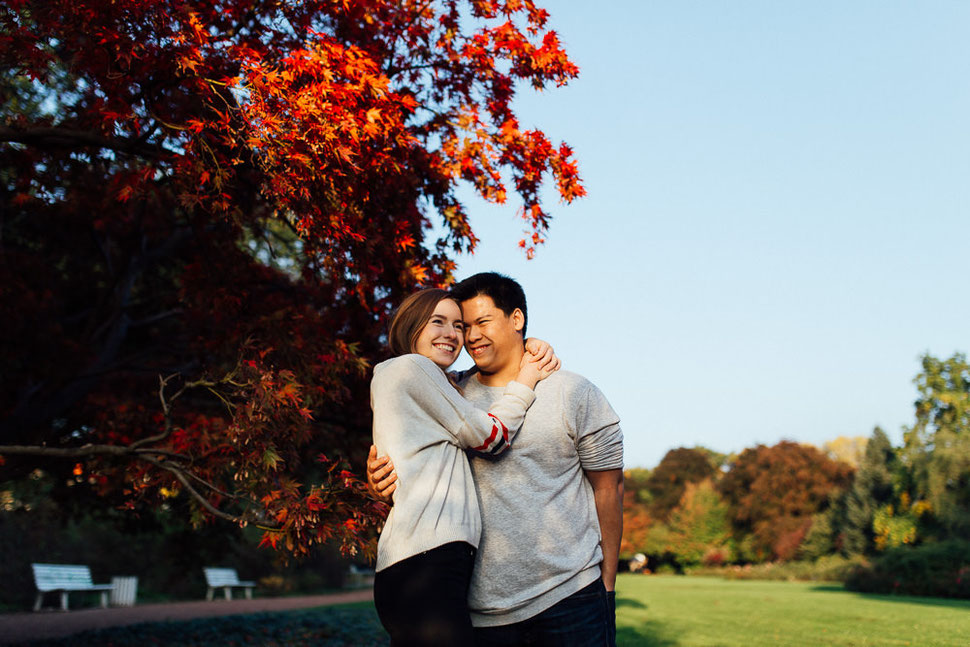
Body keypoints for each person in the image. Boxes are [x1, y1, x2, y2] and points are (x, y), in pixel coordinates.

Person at [369, 272, 624, 646]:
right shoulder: (447, 389)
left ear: (516, 320)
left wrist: (608, 583)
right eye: (463, 326)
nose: (468, 336)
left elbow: (610, 487)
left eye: (480, 322)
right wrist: (377, 481)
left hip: (570, 595)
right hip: (481, 611)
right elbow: (407, 449)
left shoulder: (572, 392)